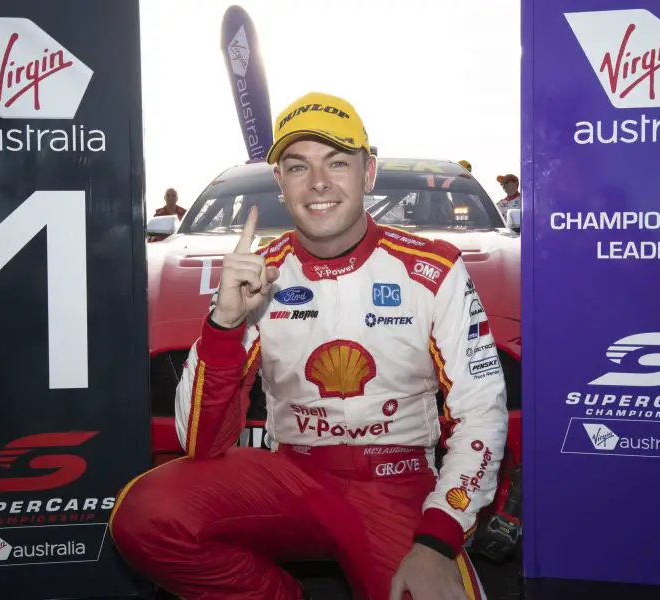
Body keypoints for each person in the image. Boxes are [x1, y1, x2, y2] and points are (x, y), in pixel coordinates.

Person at [109, 91, 508, 600]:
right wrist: (225, 320)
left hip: (399, 483)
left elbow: (481, 412)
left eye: (337, 162)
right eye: (298, 167)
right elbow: (199, 446)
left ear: (368, 173)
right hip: (291, 475)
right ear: (280, 183)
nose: (319, 182)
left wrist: (436, 541)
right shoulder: (259, 272)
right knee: (146, 515)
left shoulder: (433, 268)